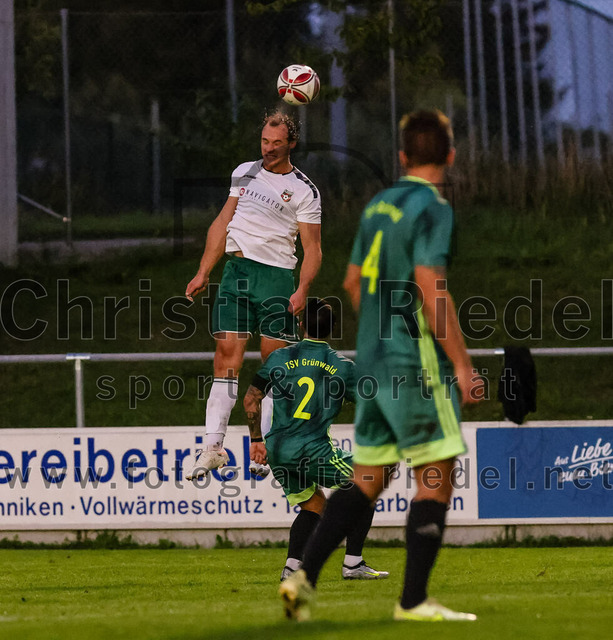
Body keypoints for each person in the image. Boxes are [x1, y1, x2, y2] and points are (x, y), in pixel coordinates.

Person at [280, 110, 484, 622]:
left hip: (371, 362)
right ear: (450, 155)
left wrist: (377, 336)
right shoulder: (432, 206)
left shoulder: (377, 205)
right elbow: (431, 287)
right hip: (411, 362)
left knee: (367, 478)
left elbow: (352, 283)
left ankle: (302, 577)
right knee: (436, 475)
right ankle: (413, 601)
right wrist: (462, 365)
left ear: (402, 156)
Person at [184, 110, 322, 481]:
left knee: (273, 366)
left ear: (291, 144)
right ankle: (214, 447)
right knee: (225, 357)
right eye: (264, 141)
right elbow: (222, 222)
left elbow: (313, 249)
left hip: (276, 279)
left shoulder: (304, 190)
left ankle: (269, 447)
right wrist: (203, 271)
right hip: (237, 274)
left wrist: (302, 289)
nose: (269, 149)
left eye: (277, 143)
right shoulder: (244, 172)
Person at [243, 298, 388, 582]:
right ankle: (353, 563)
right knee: (368, 483)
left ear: (300, 325)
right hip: (311, 449)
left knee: (314, 507)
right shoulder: (343, 366)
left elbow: (251, 399)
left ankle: (291, 568)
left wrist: (256, 439)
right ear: (332, 328)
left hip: (277, 450)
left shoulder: (279, 357)